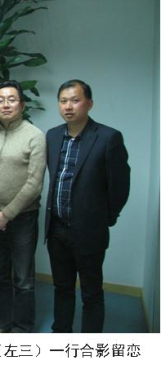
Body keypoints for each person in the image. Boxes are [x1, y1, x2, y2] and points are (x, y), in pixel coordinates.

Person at [45, 79, 130, 333]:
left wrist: (106, 218)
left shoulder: (108, 137)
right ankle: (61, 334)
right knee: (62, 287)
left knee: (91, 293)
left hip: (89, 230)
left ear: (89, 103)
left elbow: (120, 186)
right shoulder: (53, 136)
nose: (68, 106)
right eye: (63, 101)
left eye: (75, 100)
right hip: (57, 229)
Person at [0, 80, 46, 333]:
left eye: (11, 99)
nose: (5, 104)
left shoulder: (34, 136)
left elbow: (34, 184)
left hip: (22, 218)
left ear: (22, 105)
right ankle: (0, 323)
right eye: (0, 100)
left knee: (23, 278)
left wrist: (5, 215)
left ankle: (22, 328)